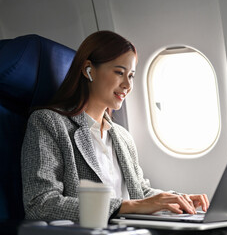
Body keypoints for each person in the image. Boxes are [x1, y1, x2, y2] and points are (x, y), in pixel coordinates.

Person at [21, 30, 209, 222]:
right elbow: (40, 204)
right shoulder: (48, 123)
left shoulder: (122, 136)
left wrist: (177, 200)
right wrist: (129, 206)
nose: (127, 84)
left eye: (132, 76)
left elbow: (139, 192)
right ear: (89, 70)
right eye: (119, 72)